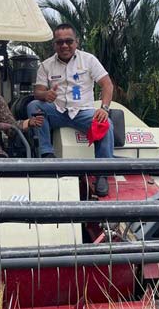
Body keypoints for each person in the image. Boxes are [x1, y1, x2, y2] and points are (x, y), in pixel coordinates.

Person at [27, 23, 115, 196]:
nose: (64, 45)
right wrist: (45, 95)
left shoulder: (89, 60)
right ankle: (47, 156)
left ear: (77, 42)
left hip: (83, 112)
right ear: (54, 45)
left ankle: (102, 174)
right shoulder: (46, 65)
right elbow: (37, 92)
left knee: (107, 123)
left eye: (69, 41)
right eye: (60, 42)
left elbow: (107, 84)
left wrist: (104, 108)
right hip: (57, 111)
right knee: (34, 106)